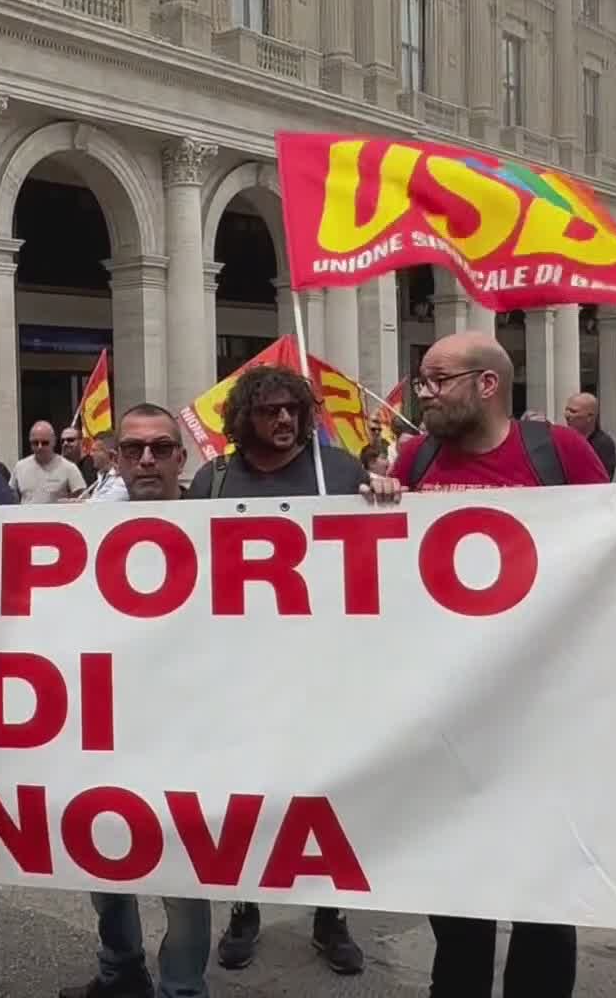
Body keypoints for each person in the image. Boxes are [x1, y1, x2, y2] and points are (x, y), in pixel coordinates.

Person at [365, 333, 616, 998]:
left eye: (438, 379)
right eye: (423, 380)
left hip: (549, 725)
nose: (425, 392)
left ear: (487, 384)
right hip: (450, 725)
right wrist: (378, 501)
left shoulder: (557, 453)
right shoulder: (415, 457)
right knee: (457, 904)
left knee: (549, 908)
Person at [188, 364, 366, 977]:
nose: (285, 419)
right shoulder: (212, 480)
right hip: (240, 670)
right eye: (270, 411)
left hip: (324, 668)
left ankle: (331, 914)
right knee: (248, 794)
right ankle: (245, 907)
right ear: (244, 419)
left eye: (293, 408)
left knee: (326, 791)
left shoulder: (338, 471)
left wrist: (387, 498)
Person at [60, 404, 212, 998]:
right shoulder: (81, 531)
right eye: (132, 449)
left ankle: (181, 989)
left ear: (182, 456)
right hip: (106, 724)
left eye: (159, 447)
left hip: (185, 729)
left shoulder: (220, 526)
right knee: (103, 860)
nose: (146, 459)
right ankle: (120, 968)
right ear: (115, 459)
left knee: (186, 876)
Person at [15, 420, 88, 503]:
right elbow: (10, 499)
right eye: (35, 443)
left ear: (54, 442)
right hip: (26, 516)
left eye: (45, 443)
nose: (40, 447)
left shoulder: (69, 468)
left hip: (58, 515)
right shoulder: (20, 467)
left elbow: (84, 500)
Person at [563, 391, 616, 477]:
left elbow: (603, 478)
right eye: (566, 410)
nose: (567, 415)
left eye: (573, 411)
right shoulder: (562, 440)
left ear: (590, 416)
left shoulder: (603, 444)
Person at [79, 432, 128, 502]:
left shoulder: (122, 480)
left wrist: (79, 503)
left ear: (110, 454)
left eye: (94, 450)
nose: (91, 454)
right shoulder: (101, 476)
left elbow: (105, 504)